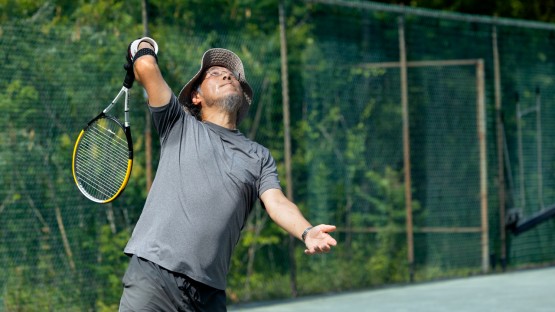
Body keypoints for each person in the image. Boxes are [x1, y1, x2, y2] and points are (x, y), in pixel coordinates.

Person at [119, 37, 337, 312]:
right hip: (154, 278)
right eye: (213, 73)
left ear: (242, 95)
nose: (226, 74)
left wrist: (306, 231)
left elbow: (277, 203)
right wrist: (141, 46)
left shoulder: (259, 156)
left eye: (232, 75)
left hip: (209, 293)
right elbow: (147, 66)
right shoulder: (178, 124)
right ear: (196, 96)